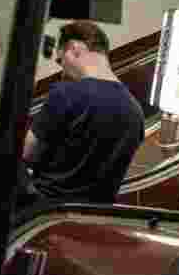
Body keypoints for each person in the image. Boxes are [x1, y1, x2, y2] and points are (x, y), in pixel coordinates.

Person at [19, 21, 144, 209]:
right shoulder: (136, 111)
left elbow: (25, 153)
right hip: (93, 219)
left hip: (44, 214)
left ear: (75, 48)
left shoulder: (67, 93)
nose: (63, 71)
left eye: (61, 61)